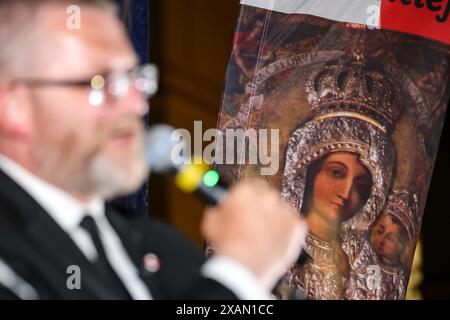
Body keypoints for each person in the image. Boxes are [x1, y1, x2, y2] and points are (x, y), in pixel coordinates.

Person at [0, 0, 306, 299]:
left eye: (137, 79)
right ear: (17, 107)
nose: (137, 104)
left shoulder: (161, 249)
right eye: (103, 82)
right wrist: (241, 274)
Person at [282, 151, 372, 299]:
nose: (346, 192)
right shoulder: (280, 238)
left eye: (360, 184)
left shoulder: (352, 260)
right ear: (311, 175)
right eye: (336, 173)